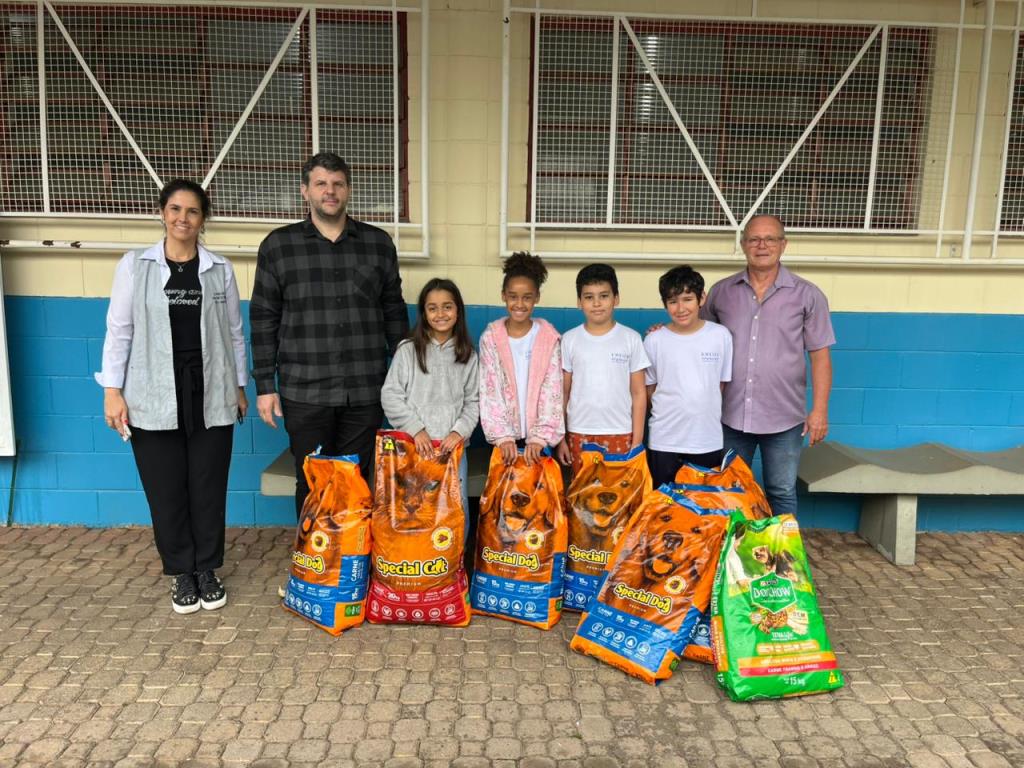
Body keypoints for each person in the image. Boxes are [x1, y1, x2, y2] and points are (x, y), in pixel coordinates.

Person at [96, 179, 248, 614]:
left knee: (207, 484)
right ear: (162, 212)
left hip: (210, 389)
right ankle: (182, 571)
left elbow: (234, 333)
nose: (183, 218)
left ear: (204, 219)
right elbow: (119, 330)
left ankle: (207, 569)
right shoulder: (134, 265)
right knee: (165, 487)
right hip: (151, 390)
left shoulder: (219, 269)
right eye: (176, 209)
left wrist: (238, 386)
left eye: (193, 211)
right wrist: (112, 391)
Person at [250, 152, 408, 516]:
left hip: (365, 388)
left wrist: (404, 378)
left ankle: (349, 563)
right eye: (321, 183)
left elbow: (394, 314)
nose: (330, 191)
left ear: (348, 190)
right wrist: (265, 386)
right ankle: (315, 564)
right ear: (305, 190)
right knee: (312, 479)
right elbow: (263, 319)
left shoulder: (378, 244)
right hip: (304, 390)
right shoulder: (278, 247)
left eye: (337, 184)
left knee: (356, 477)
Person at [703, 214, 835, 514]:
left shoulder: (808, 295)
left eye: (770, 239)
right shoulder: (721, 292)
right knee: (728, 490)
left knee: (781, 490)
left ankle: (782, 558)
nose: (762, 245)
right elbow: (698, 337)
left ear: (783, 244)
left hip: (784, 418)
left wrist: (819, 411)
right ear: (743, 244)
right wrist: (663, 330)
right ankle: (731, 558)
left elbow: (820, 357)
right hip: (730, 415)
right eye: (754, 239)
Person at [380, 278, 479, 512]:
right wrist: (416, 429)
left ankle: (455, 550)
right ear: (424, 313)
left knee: (454, 506)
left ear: (458, 311)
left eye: (447, 306)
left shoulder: (468, 355)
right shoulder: (408, 350)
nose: (440, 314)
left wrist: (459, 432)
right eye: (432, 308)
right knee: (413, 507)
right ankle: (414, 551)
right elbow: (390, 395)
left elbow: (473, 401)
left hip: (451, 448)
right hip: (413, 447)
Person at [644, 265, 733, 489]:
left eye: (687, 299)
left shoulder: (720, 336)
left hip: (706, 438)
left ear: (701, 298)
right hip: (665, 439)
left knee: (703, 509)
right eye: (673, 301)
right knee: (664, 507)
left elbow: (719, 385)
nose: (680, 308)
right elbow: (649, 389)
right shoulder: (654, 340)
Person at [555, 264, 649, 475]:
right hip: (579, 433)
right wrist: (561, 438)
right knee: (582, 502)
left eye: (604, 296)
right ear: (579, 302)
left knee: (618, 501)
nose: (596, 303)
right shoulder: (569, 340)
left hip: (621, 433)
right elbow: (563, 393)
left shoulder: (631, 339)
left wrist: (637, 441)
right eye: (589, 297)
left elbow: (639, 393)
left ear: (616, 298)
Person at [478, 252, 564, 466]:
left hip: (539, 441)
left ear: (537, 298)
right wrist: (503, 435)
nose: (519, 304)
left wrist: (540, 437)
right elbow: (490, 389)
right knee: (504, 497)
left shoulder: (548, 337)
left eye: (527, 297)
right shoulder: (491, 338)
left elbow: (553, 390)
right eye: (513, 296)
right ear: (503, 296)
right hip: (504, 441)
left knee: (539, 497)